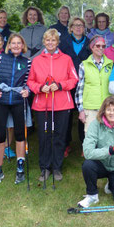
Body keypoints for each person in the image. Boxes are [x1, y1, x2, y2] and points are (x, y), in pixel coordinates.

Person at [27, 29, 79, 182]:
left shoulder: (67, 59)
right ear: (44, 42)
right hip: (42, 104)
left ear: (58, 42)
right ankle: (44, 167)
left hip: (62, 104)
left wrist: (61, 85)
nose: (50, 43)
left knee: (59, 136)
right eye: (48, 40)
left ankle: (56, 167)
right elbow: (30, 81)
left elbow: (74, 79)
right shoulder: (36, 60)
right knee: (44, 136)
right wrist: (39, 88)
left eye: (53, 40)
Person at [78, 96, 114, 208]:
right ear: (104, 111)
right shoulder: (95, 124)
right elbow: (88, 152)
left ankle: (111, 185)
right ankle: (92, 195)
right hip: (102, 163)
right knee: (88, 165)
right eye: (109, 110)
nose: (112, 113)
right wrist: (109, 151)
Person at [0, 33, 31, 184]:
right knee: (0, 135)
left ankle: (20, 169)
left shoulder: (27, 62)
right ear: (9, 45)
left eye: (19, 43)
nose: (16, 46)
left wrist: (27, 91)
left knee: (20, 135)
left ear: (23, 45)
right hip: (2, 100)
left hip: (19, 100)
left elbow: (28, 82)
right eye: (13, 43)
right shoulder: (0, 58)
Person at [58, 16, 91, 157]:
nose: (78, 28)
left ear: (84, 28)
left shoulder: (89, 43)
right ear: (70, 28)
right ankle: (65, 144)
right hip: (68, 82)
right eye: (75, 25)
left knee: (84, 114)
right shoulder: (64, 42)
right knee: (67, 114)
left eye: (81, 25)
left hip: (84, 82)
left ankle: (85, 144)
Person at [75, 36, 114, 151]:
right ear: (92, 47)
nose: (101, 48)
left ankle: (106, 164)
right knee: (91, 138)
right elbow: (79, 89)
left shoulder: (111, 64)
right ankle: (90, 165)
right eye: (98, 45)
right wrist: (81, 110)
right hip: (90, 107)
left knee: (107, 137)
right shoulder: (84, 65)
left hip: (107, 107)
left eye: (103, 46)